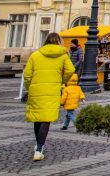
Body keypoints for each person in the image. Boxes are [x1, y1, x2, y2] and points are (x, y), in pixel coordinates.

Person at [24, 33, 75, 161]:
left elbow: (27, 75)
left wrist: (29, 87)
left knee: (37, 118)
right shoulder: (63, 56)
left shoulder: (35, 55)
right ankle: (39, 148)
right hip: (52, 90)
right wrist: (61, 80)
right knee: (46, 119)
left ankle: (38, 146)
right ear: (59, 42)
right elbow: (70, 70)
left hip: (36, 89)